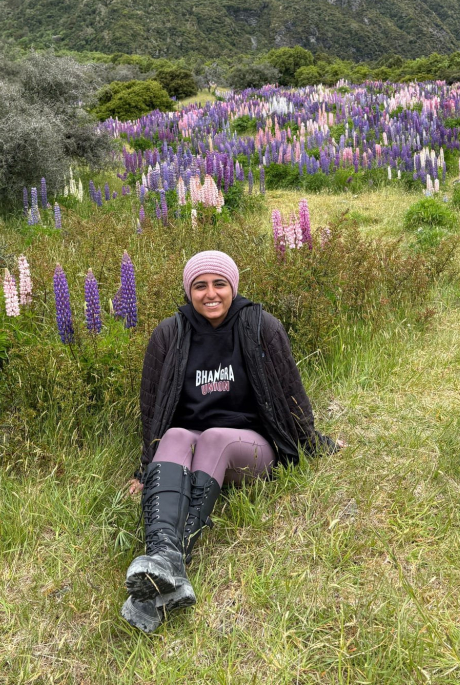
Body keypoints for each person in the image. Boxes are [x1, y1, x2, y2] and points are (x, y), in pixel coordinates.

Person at [121, 250, 342, 632]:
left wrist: (312, 442)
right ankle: (165, 562)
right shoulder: (170, 334)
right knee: (174, 434)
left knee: (215, 437)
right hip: (190, 439)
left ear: (233, 287)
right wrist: (145, 470)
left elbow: (292, 394)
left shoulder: (261, 326)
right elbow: (152, 409)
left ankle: (169, 562)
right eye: (200, 285)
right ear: (189, 291)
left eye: (219, 284)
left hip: (252, 446)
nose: (210, 293)